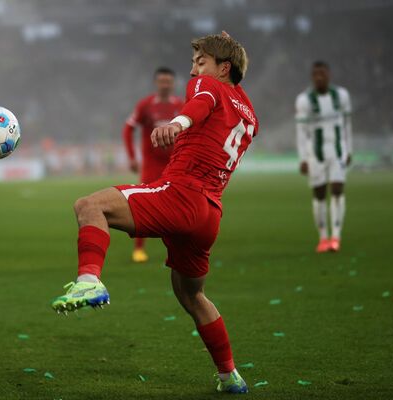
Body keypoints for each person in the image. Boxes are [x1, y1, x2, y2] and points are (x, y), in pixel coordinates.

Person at [51, 32, 256, 394]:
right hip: (210, 213)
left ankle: (89, 281)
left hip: (182, 193)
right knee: (192, 295)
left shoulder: (208, 86)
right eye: (193, 63)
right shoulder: (249, 111)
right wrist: (227, 48)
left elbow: (202, 101)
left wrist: (177, 124)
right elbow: (221, 97)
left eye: (201, 62)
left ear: (222, 68)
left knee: (89, 206)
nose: (193, 71)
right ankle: (230, 376)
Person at [122, 67, 184, 263]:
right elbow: (128, 129)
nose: (165, 85)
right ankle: (139, 249)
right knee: (144, 207)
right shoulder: (146, 105)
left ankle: (178, 250)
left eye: (168, 81)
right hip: (151, 165)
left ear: (173, 84)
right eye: (162, 81)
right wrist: (132, 157)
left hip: (175, 164)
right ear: (156, 83)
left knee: (179, 207)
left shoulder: (181, 105)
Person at [295, 61, 352, 253]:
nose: (319, 77)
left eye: (323, 73)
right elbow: (301, 131)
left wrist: (349, 149)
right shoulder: (304, 100)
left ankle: (336, 236)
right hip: (315, 152)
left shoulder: (341, 96)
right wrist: (303, 158)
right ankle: (323, 238)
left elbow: (346, 125)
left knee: (337, 189)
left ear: (329, 74)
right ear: (312, 77)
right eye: (316, 74)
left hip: (337, 149)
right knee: (319, 194)